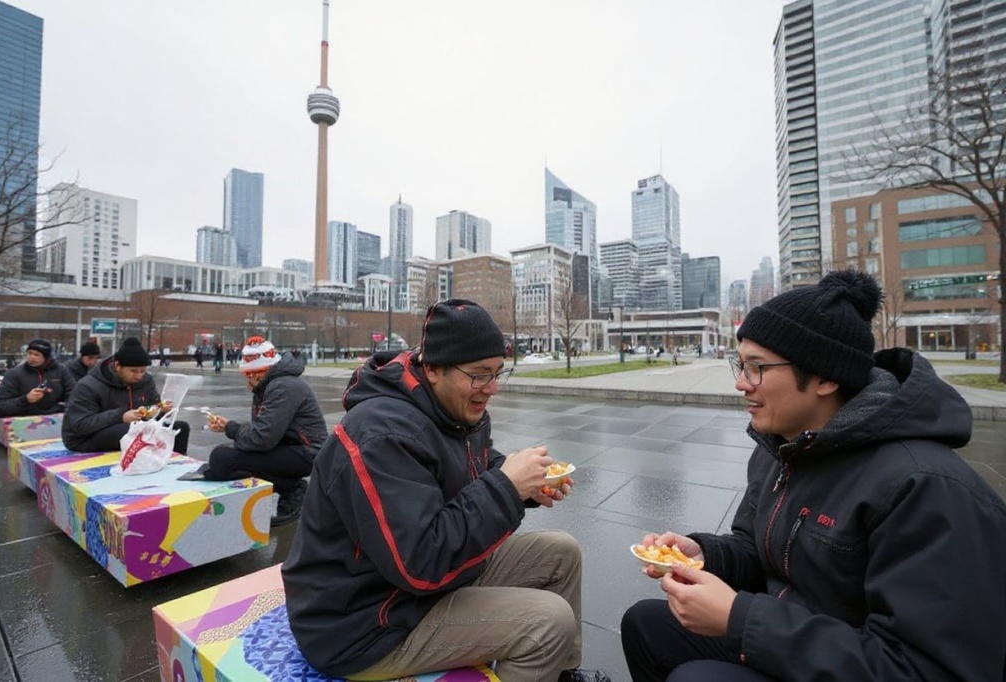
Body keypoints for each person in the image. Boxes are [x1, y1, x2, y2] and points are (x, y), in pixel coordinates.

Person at [620, 271, 1006, 682]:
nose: (740, 383)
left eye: (757, 368)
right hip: (791, 638)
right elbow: (757, 547)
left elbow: (924, 668)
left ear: (826, 376)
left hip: (845, 658)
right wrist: (704, 556)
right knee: (646, 623)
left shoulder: (925, 489)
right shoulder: (782, 447)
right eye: (741, 364)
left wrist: (743, 620)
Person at [282, 299, 609, 682]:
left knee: (561, 551)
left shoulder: (449, 406)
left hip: (408, 590)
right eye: (479, 375)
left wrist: (524, 484)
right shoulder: (380, 435)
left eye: (498, 373)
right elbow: (419, 563)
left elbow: (473, 466)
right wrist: (506, 487)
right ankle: (543, 657)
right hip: (363, 622)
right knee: (547, 622)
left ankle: (559, 672)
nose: (492, 389)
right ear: (433, 369)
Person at [201, 336, 327, 526]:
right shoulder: (272, 384)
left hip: (306, 453)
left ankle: (292, 489)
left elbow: (261, 438)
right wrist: (231, 428)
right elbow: (262, 430)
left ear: (265, 369)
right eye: (248, 373)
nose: (250, 377)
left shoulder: (283, 386)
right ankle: (288, 487)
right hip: (291, 447)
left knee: (222, 458)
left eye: (254, 373)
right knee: (227, 455)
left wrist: (231, 428)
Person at [62, 337, 191, 454]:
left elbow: (152, 413)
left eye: (142, 370)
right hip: (85, 438)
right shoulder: (88, 385)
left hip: (132, 429)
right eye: (133, 371)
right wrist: (121, 416)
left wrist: (161, 410)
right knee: (133, 431)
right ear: (117, 366)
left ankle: (173, 467)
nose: (139, 376)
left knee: (180, 428)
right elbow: (80, 425)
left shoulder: (145, 381)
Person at [0, 338, 75, 417]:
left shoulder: (61, 370)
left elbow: (73, 395)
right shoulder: (14, 374)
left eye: (36, 355)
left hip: (56, 417)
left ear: (46, 358)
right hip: (25, 419)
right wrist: (26, 399)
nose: (32, 357)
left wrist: (65, 408)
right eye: (30, 353)